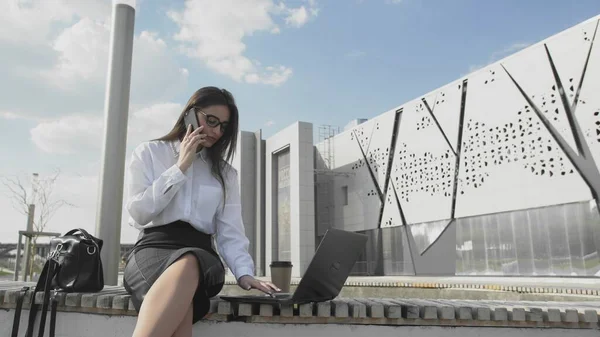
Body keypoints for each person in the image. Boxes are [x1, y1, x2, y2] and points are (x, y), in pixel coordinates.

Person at [122, 86, 280, 337]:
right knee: (181, 311)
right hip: (152, 249)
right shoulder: (150, 153)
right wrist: (181, 166)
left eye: (223, 126)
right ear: (190, 115)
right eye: (211, 121)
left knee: (190, 261)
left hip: (201, 255)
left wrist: (244, 273)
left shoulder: (226, 174)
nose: (216, 132)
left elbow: (231, 230)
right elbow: (140, 213)